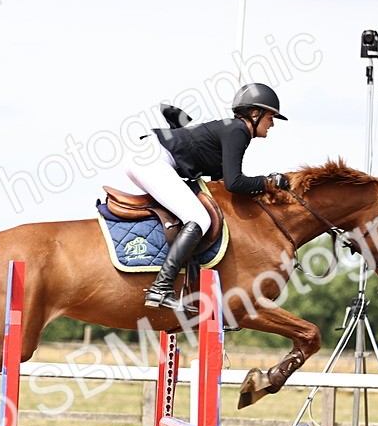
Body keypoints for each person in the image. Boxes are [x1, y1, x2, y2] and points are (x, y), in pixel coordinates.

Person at [125, 82, 291, 311]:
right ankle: (160, 289)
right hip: (151, 159)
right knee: (200, 219)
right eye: (270, 117)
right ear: (255, 113)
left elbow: (222, 182)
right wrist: (269, 182)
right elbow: (235, 183)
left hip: (148, 155)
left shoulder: (233, 131)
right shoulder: (238, 130)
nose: (272, 124)